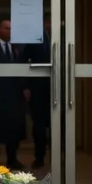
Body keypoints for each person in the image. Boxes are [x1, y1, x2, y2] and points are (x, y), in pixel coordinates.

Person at [0, 19, 25, 169]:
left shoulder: (17, 48)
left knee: (13, 127)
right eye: (7, 28)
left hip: (14, 94)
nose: (10, 31)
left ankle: (12, 158)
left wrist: (25, 88)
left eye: (11, 29)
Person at [24, 17, 52, 169]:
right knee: (39, 125)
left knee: (57, 123)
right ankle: (39, 157)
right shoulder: (33, 39)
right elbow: (24, 63)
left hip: (56, 88)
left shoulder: (61, 38)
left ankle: (57, 156)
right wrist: (26, 87)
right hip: (38, 88)